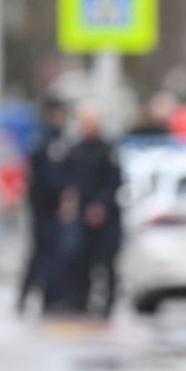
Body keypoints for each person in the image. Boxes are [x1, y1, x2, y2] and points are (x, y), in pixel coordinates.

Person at [62, 106, 123, 318]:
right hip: (82, 217)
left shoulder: (107, 151)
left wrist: (101, 206)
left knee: (107, 263)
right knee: (80, 261)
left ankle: (108, 303)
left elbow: (115, 183)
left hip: (106, 218)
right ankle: (80, 300)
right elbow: (70, 182)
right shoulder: (76, 150)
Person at [17, 97, 68, 315]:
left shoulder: (61, 139)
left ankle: (49, 298)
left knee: (53, 254)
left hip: (56, 208)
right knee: (40, 254)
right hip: (43, 207)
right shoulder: (43, 140)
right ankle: (28, 295)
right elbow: (39, 177)